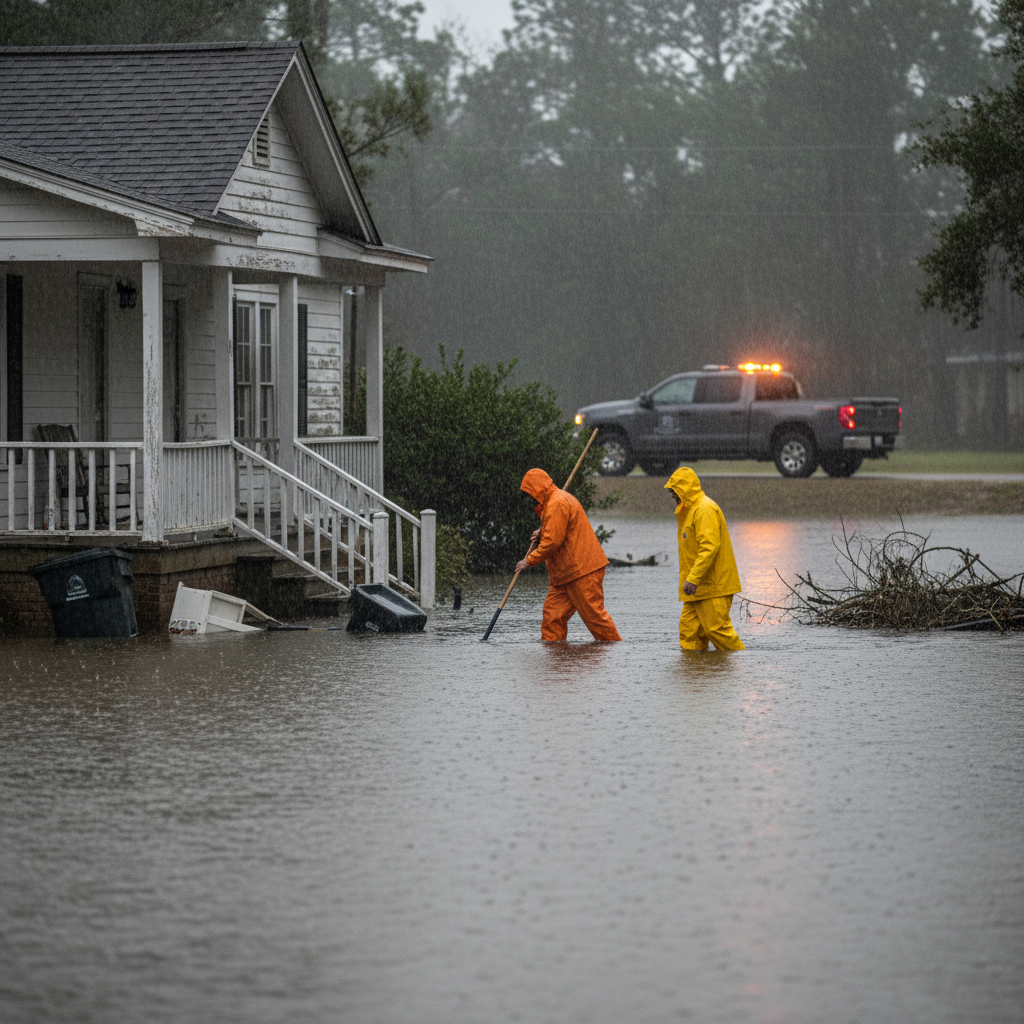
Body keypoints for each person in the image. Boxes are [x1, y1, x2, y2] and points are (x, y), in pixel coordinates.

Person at [515, 468, 622, 642]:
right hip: (564, 575)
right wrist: (543, 531)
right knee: (552, 618)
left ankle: (618, 652)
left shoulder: (557, 503)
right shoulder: (554, 502)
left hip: (582, 571)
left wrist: (528, 561)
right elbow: (556, 531)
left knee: (595, 619)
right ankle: (556, 655)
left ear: (537, 489)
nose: (530, 498)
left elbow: (552, 543)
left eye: (530, 493)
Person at [664, 467, 745, 651]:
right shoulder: (690, 510)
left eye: (675, 492)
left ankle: (743, 664)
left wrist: (693, 578)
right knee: (690, 632)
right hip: (698, 587)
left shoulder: (704, 509)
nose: (673, 496)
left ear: (684, 490)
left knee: (717, 630)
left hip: (713, 585)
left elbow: (709, 548)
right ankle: (695, 667)